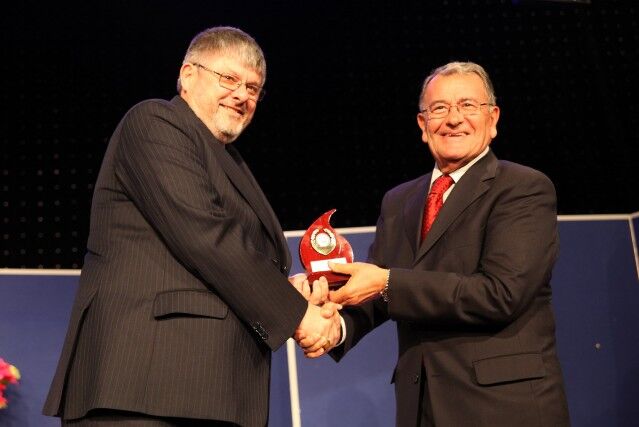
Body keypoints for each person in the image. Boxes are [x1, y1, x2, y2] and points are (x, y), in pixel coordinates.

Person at [43, 26, 341, 426]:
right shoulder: (155, 122)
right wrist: (298, 314)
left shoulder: (227, 159)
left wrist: (287, 288)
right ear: (187, 75)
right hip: (145, 388)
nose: (242, 95)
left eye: (253, 88)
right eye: (229, 79)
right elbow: (207, 237)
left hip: (207, 392)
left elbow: (227, 252)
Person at [309, 61, 570, 426]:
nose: (453, 119)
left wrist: (386, 282)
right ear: (423, 124)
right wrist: (333, 326)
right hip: (421, 407)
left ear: (493, 118)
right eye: (440, 108)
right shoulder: (399, 201)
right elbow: (376, 295)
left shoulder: (523, 188)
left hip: (503, 408)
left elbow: (501, 294)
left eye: (468, 105)